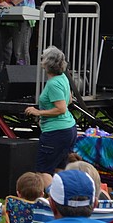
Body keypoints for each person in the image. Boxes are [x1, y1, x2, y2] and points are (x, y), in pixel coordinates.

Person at [25, 46, 77, 174]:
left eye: (43, 57)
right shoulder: (63, 78)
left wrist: (38, 112)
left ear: (47, 63)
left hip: (56, 132)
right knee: (59, 168)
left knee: (43, 171)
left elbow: (61, 109)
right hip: (69, 128)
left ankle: (44, 193)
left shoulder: (53, 84)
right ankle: (60, 193)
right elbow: (69, 99)